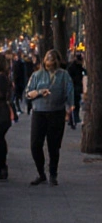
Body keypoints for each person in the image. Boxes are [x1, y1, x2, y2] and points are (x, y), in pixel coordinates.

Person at [26, 49, 76, 186]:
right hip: (39, 112)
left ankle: (53, 173)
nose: (50, 61)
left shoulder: (64, 75)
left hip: (56, 112)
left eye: (53, 59)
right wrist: (39, 92)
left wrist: (70, 107)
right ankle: (41, 173)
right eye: (48, 58)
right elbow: (28, 93)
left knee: (53, 146)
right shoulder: (37, 75)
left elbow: (69, 91)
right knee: (35, 144)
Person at [67, 52, 86, 127]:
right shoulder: (74, 67)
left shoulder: (74, 66)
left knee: (75, 102)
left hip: (76, 86)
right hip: (74, 86)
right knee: (74, 103)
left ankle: (73, 118)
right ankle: (73, 118)